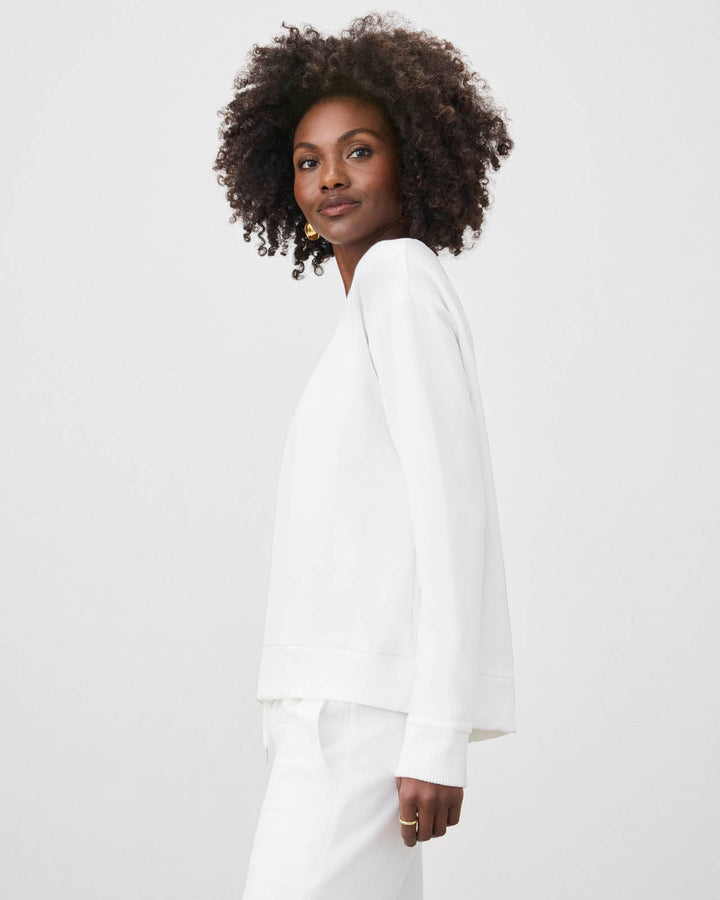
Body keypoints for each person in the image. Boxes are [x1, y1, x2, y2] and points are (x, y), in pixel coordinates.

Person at [213, 12, 517, 898]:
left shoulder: (399, 277)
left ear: (410, 161)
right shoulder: (365, 314)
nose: (331, 178)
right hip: (325, 711)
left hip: (358, 719)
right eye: (308, 161)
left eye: (359, 151)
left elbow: (452, 508)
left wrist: (438, 736)